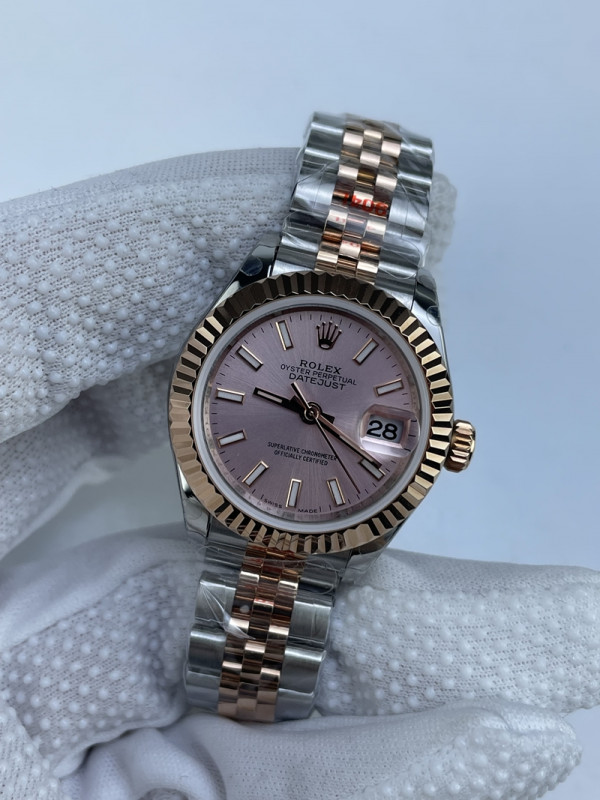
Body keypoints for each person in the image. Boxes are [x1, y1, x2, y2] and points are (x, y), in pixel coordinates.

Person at [0, 148, 597, 800]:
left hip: (295, 510)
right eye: (306, 409)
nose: (312, 414)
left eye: (316, 413)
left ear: (445, 444)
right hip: (256, 493)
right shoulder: (243, 338)